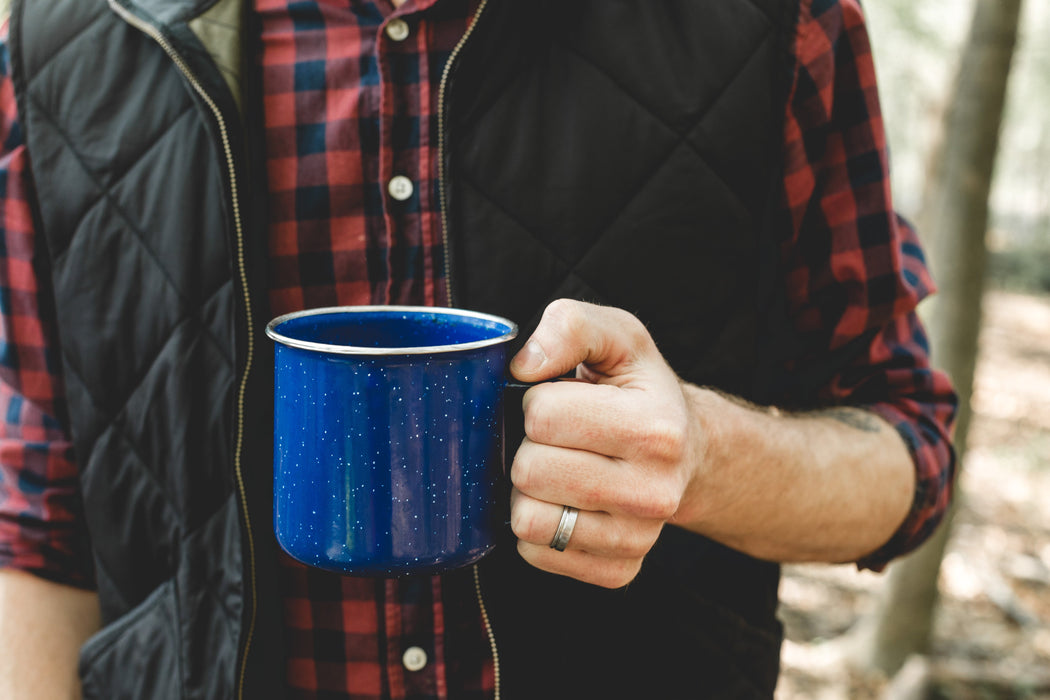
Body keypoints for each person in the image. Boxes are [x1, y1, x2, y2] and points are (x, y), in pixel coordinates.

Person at [0, 0, 957, 698]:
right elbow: (38, 520)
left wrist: (703, 455)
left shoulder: (773, 21)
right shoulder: (66, 41)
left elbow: (907, 453)